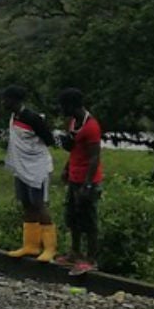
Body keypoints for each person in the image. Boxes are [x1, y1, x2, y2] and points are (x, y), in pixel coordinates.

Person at [0, 85, 57, 262]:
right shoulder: (14, 117)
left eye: (5, 99)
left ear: (14, 100)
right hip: (21, 167)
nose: (3, 102)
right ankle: (31, 245)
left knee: (39, 204)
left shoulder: (32, 118)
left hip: (36, 167)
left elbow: (49, 139)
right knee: (27, 204)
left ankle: (49, 247)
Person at [56, 88, 103, 274]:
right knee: (72, 217)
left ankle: (91, 259)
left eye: (63, 106)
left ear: (72, 105)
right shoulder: (74, 122)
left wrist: (88, 184)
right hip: (74, 177)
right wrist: (67, 168)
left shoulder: (91, 127)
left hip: (87, 180)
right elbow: (75, 149)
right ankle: (75, 253)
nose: (61, 110)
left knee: (88, 220)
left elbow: (94, 157)